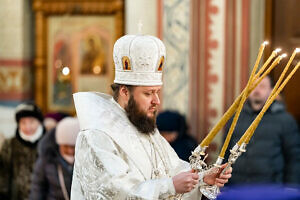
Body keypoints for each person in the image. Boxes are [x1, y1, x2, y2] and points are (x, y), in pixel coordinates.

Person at [71, 34, 232, 199]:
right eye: (148, 93)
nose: (157, 101)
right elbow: (112, 191)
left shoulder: (144, 125)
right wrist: (169, 186)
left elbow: (173, 171)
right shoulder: (97, 133)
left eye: (157, 92)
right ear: (125, 92)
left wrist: (202, 179)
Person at [224, 76, 300, 185]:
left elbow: (294, 158)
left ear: (271, 91)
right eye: (254, 86)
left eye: (262, 86)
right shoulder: (235, 118)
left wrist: (291, 189)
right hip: (238, 188)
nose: (257, 90)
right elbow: (226, 154)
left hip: (271, 189)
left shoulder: (285, 120)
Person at [0, 102, 46, 200]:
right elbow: (3, 175)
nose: (28, 127)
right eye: (23, 122)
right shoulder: (10, 144)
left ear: (39, 121)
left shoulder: (47, 143)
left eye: (32, 121)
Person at [30, 117, 80, 200]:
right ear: (59, 143)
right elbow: (37, 188)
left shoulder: (87, 161)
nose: (70, 151)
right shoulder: (46, 160)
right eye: (65, 146)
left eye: (73, 146)